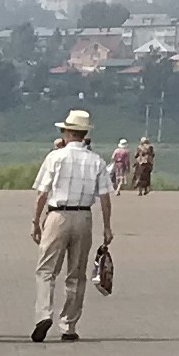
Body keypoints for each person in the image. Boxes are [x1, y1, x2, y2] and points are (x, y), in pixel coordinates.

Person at [28, 107, 115, 341]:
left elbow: (42, 193)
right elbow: (105, 198)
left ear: (67, 133)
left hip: (58, 215)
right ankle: (68, 325)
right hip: (84, 216)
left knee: (46, 270)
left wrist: (36, 221)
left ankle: (44, 314)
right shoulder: (96, 161)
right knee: (76, 273)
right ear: (85, 134)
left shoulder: (55, 157)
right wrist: (107, 226)